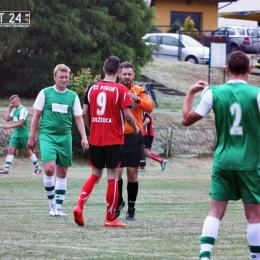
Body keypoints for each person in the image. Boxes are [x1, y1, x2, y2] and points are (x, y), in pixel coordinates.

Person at [182, 51, 260, 260]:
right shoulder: (257, 94)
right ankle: (255, 257)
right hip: (250, 162)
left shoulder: (212, 93)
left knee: (215, 211)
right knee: (254, 215)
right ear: (249, 70)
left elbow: (186, 120)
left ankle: (205, 256)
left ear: (227, 70)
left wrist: (190, 93)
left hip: (223, 160)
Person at [73, 56, 139, 227]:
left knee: (95, 175)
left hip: (96, 138)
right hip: (114, 139)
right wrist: (137, 129)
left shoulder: (92, 88)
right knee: (113, 177)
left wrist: (91, 129)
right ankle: (110, 218)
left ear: (103, 70)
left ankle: (79, 205)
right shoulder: (120, 90)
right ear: (118, 72)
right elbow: (127, 115)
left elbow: (84, 113)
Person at [28, 64, 89, 217]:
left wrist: (84, 137)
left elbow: (78, 117)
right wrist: (32, 136)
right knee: (49, 168)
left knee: (62, 172)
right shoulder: (45, 93)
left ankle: (59, 207)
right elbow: (36, 116)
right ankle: (51, 204)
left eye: (66, 77)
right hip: (48, 135)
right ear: (55, 77)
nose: (64, 80)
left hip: (65, 137)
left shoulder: (72, 96)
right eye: (61, 77)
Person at [115, 61, 154, 221]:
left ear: (133, 75)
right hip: (116, 137)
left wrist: (137, 100)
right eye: (124, 74)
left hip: (134, 137)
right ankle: (118, 202)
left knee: (132, 173)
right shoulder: (114, 90)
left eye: (129, 74)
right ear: (119, 74)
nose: (127, 77)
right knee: (117, 174)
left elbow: (150, 107)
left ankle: (131, 208)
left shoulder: (139, 90)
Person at [0, 95, 42, 175]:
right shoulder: (14, 109)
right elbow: (7, 119)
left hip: (23, 135)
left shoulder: (23, 110)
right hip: (16, 134)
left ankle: (38, 168)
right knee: (11, 150)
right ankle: (6, 169)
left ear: (18, 101)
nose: (12, 104)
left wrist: (9, 127)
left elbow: (20, 123)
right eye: (11, 102)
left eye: (13, 102)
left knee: (28, 151)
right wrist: (9, 110)